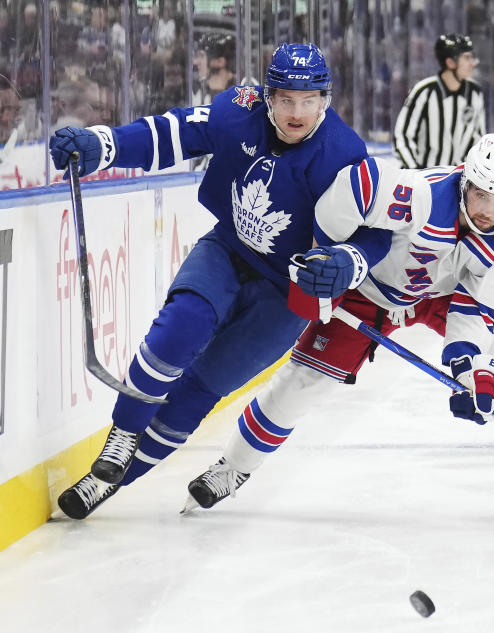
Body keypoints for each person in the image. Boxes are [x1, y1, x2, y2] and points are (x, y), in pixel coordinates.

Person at [49, 44, 383, 519]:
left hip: (287, 295)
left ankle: (112, 483)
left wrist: (349, 261)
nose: (296, 112)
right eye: (286, 98)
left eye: (308, 100)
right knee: (180, 326)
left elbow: (378, 231)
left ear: (324, 100)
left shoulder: (345, 155)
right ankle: (122, 437)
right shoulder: (238, 111)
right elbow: (169, 133)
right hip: (227, 251)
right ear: (268, 97)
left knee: (206, 386)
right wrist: (103, 145)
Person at [183, 133, 494, 513]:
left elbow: (477, 308)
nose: (488, 210)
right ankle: (233, 467)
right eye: (480, 193)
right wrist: (327, 257)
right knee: (303, 380)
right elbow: (349, 194)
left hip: (436, 296)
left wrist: (468, 368)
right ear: (465, 181)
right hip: (367, 292)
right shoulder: (420, 194)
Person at [393, 33, 485, 169]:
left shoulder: (475, 92)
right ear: (450, 62)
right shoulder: (424, 91)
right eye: (467, 58)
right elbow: (402, 136)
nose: (473, 63)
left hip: (456, 179)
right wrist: (416, 174)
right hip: (422, 179)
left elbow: (479, 139)